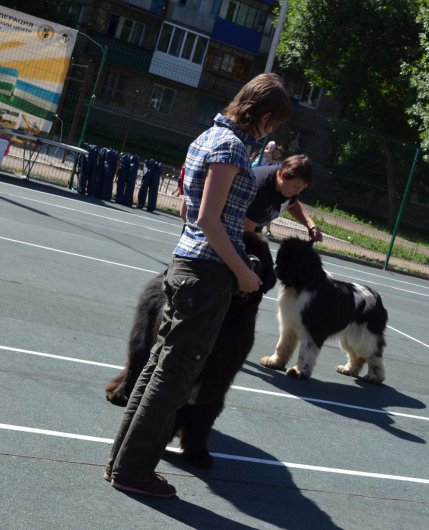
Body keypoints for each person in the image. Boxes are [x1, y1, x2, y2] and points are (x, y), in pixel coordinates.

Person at [105, 73, 291, 497]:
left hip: (185, 264)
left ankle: (123, 463)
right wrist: (243, 272)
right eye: (273, 122)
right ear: (261, 114)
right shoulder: (230, 147)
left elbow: (191, 211)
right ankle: (133, 471)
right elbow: (209, 219)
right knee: (171, 379)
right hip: (206, 274)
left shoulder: (207, 137)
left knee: (156, 371)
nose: (271, 132)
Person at [245, 154, 322, 242]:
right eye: (296, 186)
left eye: (302, 188)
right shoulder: (261, 189)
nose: (298, 192)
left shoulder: (288, 188)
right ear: (283, 175)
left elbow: (293, 205)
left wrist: (311, 226)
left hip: (252, 229)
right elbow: (246, 234)